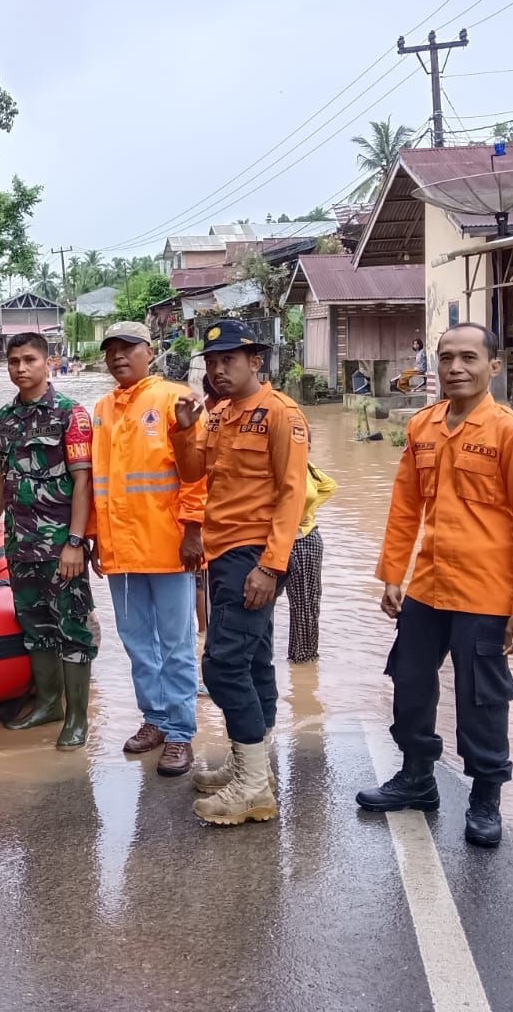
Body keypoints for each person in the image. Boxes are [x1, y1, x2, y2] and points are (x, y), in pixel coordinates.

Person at [356, 323, 513, 848]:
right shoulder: (423, 426)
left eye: (468, 357)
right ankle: (417, 778)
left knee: (481, 697)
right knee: (410, 681)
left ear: (494, 367)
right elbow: (405, 506)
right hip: (428, 585)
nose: (456, 368)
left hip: (486, 592)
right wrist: (393, 574)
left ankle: (485, 798)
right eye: (446, 358)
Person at [171, 318, 310, 825]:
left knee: (223, 667)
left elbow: (293, 494)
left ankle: (252, 786)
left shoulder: (281, 413)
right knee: (253, 663)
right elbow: (193, 472)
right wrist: (185, 428)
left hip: (255, 555)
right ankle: (252, 766)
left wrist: (271, 567)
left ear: (256, 360)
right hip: (223, 553)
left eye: (228, 359)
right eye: (211, 362)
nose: (218, 369)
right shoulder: (219, 414)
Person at [88, 320, 208, 777]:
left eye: (128, 348)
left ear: (150, 352)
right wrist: (96, 537)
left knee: (176, 644)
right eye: (111, 350)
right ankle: (154, 719)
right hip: (120, 550)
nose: (118, 356)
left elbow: (197, 474)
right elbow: (99, 481)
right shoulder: (103, 409)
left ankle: (180, 732)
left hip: (169, 546)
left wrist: (193, 530)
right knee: (137, 642)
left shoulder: (175, 399)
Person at [0, 332, 98, 750]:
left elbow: (83, 482)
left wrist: (75, 542)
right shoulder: (4, 419)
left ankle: (77, 719)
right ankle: (48, 705)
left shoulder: (69, 415)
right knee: (35, 627)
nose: (21, 368)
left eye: (29, 359)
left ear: (48, 362)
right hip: (20, 544)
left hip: (61, 545)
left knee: (72, 628)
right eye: (13, 361)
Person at [285, 462, 337, 663]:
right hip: (302, 538)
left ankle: (303, 659)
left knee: (306, 603)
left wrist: (304, 513)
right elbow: (328, 486)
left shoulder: (303, 466)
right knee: (302, 602)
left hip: (303, 540)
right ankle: (302, 658)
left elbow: (329, 486)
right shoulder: (298, 465)